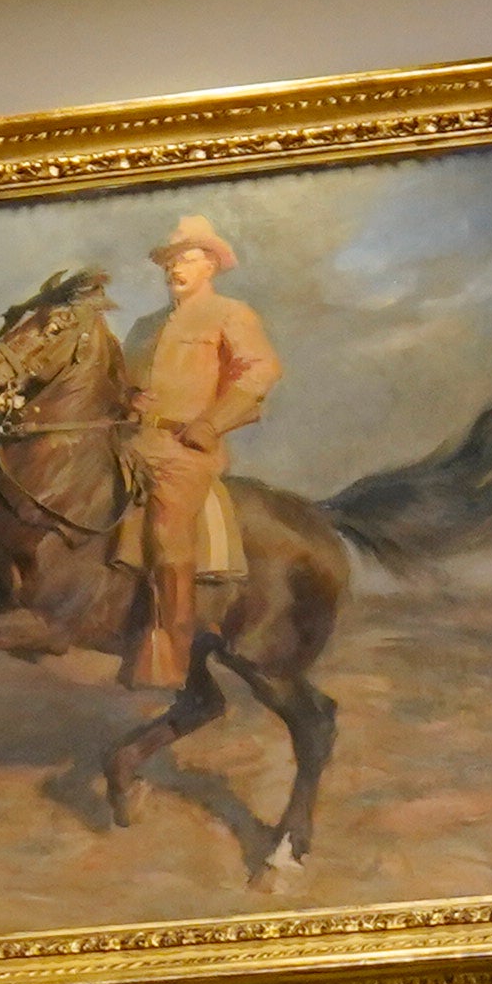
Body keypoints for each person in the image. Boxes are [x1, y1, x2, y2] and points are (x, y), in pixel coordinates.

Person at [120, 212, 281, 690]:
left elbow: (259, 371)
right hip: (130, 441)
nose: (174, 268)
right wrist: (127, 398)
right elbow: (125, 380)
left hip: (183, 451)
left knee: (168, 532)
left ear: (210, 265)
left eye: (186, 259)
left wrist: (212, 423)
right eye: (170, 261)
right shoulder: (145, 326)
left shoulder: (231, 314)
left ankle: (172, 647)